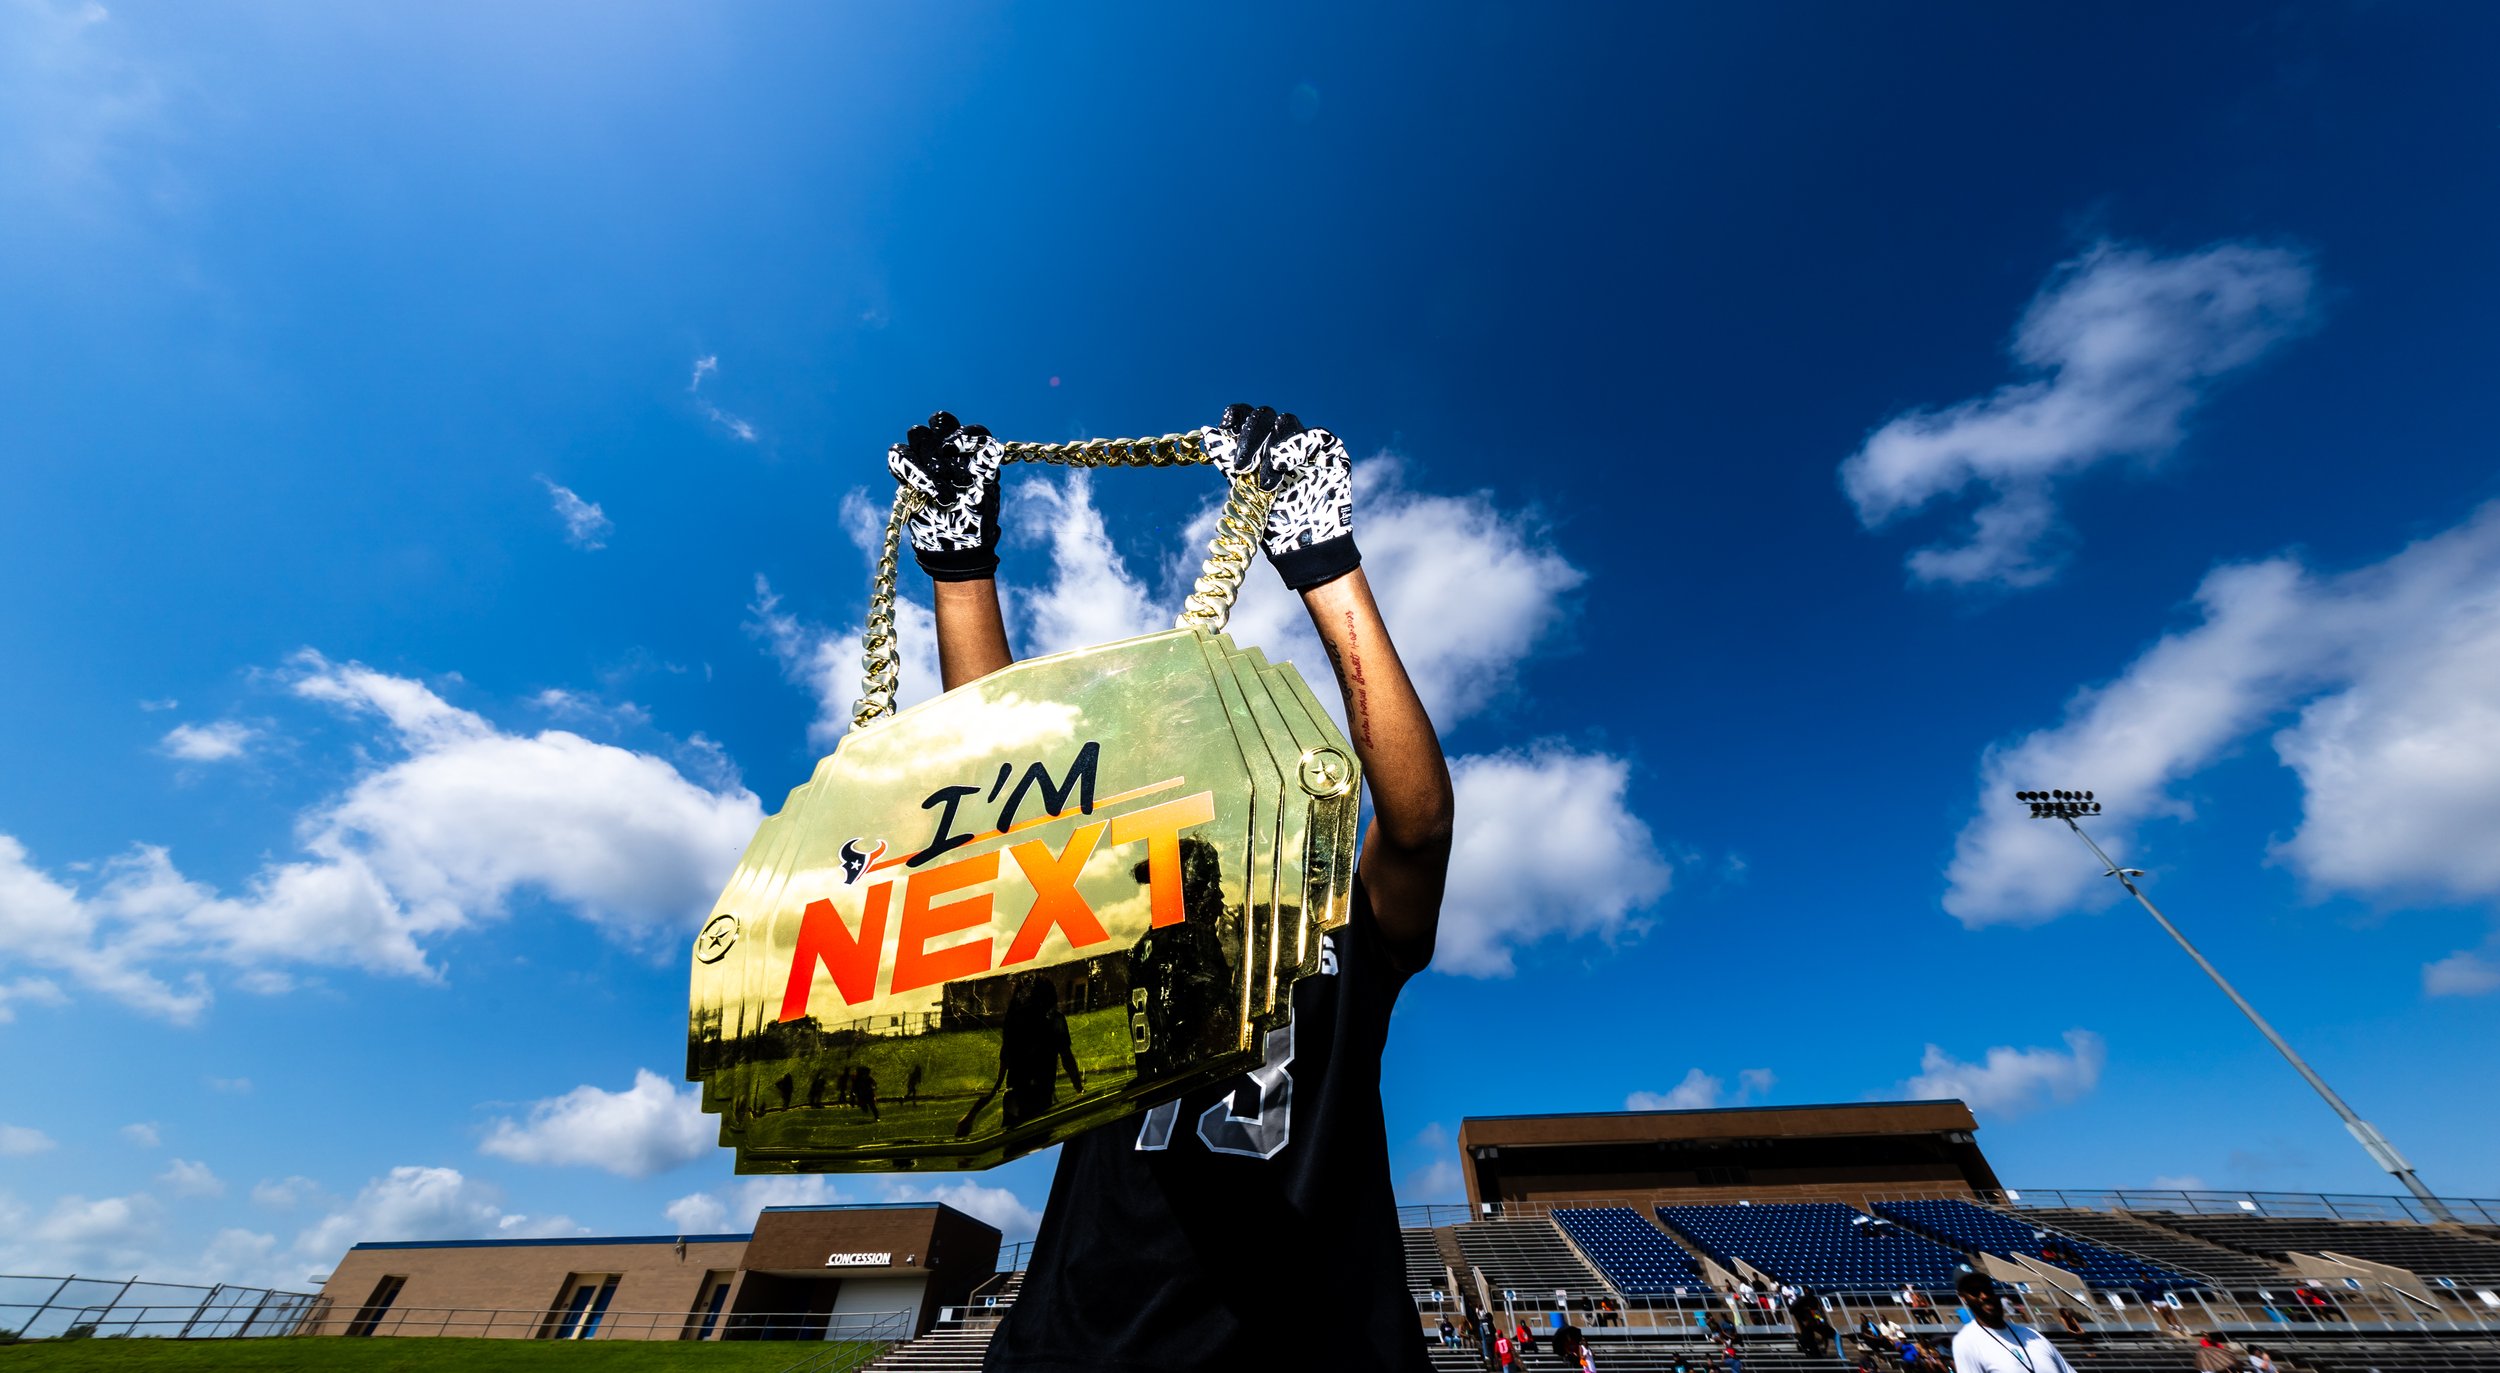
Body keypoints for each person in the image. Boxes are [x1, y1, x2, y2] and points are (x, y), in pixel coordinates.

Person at [942, 405, 1452, 1372]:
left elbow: (1419, 827)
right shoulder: (1112, 911)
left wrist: (1320, 553)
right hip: (1083, 1346)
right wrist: (960, 566)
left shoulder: (1342, 915)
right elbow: (1001, 808)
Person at [1950, 1271, 2077, 1373]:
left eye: (1987, 1289)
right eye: (1974, 1291)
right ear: (1963, 1297)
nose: (1984, 1296)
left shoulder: (2034, 1336)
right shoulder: (1966, 1343)